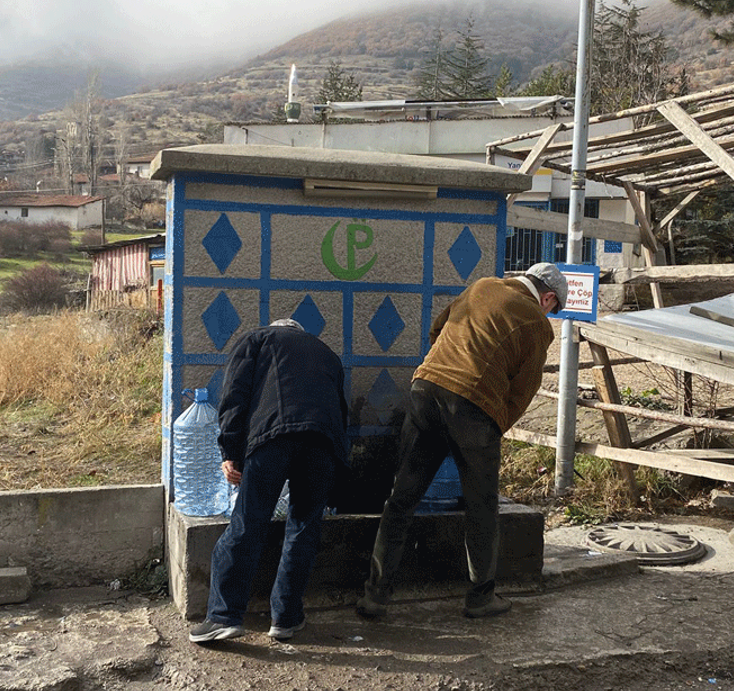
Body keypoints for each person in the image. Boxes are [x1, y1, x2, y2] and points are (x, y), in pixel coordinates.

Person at [357, 262, 566, 620]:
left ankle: (375, 595)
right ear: (547, 297)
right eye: (553, 307)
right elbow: (523, 391)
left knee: (402, 497)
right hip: (474, 405)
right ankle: (481, 597)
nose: (549, 312)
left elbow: (439, 328)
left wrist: (444, 372)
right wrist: (494, 427)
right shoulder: (536, 323)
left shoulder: (482, 285)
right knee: (481, 506)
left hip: (426, 387)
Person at [189, 318, 349, 644]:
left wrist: (230, 452)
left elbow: (235, 395)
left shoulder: (257, 339)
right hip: (323, 444)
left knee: (249, 522)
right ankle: (286, 619)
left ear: (276, 328)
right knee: (304, 528)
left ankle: (224, 616)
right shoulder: (328, 354)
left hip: (273, 437)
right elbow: (341, 412)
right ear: (298, 332)